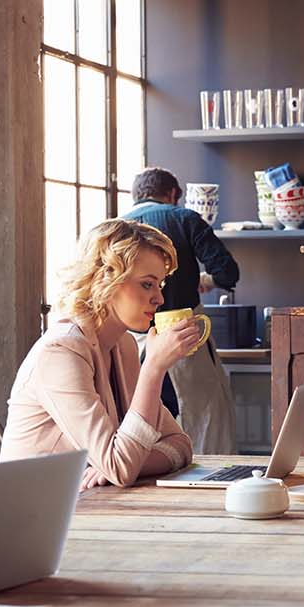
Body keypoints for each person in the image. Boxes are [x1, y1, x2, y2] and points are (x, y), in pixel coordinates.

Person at [0, 218, 198, 489]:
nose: (160, 299)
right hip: (33, 520)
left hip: (85, 506)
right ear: (107, 279)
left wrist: (126, 463)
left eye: (160, 285)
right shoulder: (61, 352)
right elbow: (120, 468)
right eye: (147, 284)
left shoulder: (123, 345)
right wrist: (154, 368)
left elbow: (180, 445)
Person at [121, 167, 239, 454]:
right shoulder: (184, 218)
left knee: (140, 420)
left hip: (132, 344)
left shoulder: (117, 228)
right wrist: (204, 280)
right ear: (173, 194)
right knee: (206, 417)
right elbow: (227, 273)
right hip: (185, 338)